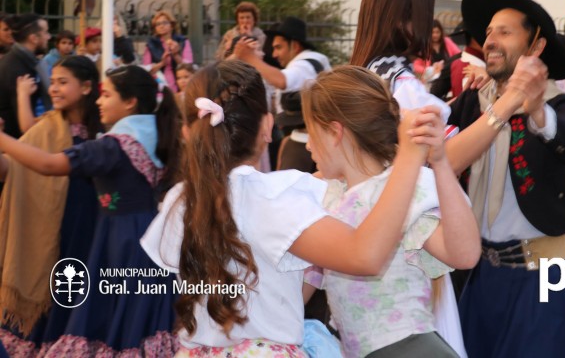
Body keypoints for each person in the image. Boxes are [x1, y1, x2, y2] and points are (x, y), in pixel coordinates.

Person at [140, 60, 431, 355]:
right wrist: (408, 157)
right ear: (268, 126)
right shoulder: (275, 198)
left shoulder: (179, 200)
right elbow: (364, 255)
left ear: (188, 132)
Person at [447, 0, 565, 358]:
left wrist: (537, 112)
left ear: (536, 46)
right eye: (488, 33)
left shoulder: (558, 105)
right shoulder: (472, 103)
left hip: (546, 273)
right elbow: (438, 155)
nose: (490, 41)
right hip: (482, 273)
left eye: (505, 32)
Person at [0, 65, 181, 355]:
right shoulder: (159, 136)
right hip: (153, 242)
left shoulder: (112, 147)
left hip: (120, 244)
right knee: (136, 323)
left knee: (114, 325)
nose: (99, 101)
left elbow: (48, 164)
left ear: (130, 102)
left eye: (106, 95)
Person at [302, 66, 479, 357]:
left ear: (334, 132)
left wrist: (440, 163)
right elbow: (301, 290)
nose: (308, 145)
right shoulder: (328, 196)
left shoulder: (401, 187)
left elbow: (464, 255)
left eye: (311, 132)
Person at [0, 57, 101, 350]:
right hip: (58, 225)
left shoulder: (107, 127)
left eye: (62, 82)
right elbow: (13, 166)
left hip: (97, 223)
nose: (53, 89)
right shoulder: (46, 127)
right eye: (52, 82)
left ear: (86, 87)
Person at [233, 17, 332, 173]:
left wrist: (249, 57)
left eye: (279, 47)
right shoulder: (313, 60)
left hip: (305, 143)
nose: (274, 54)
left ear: (295, 46)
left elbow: (282, 80)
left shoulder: (304, 64)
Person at [0, 14, 52, 139]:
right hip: (15, 143)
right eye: (45, 32)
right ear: (34, 38)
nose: (49, 37)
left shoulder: (23, 60)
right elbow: (24, 125)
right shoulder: (18, 69)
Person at [143, 10, 193, 93]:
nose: (161, 26)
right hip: (159, 86)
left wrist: (176, 55)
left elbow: (189, 67)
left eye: (165, 23)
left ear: (172, 25)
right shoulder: (151, 44)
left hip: (180, 85)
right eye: (158, 24)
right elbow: (146, 70)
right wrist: (162, 63)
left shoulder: (183, 41)